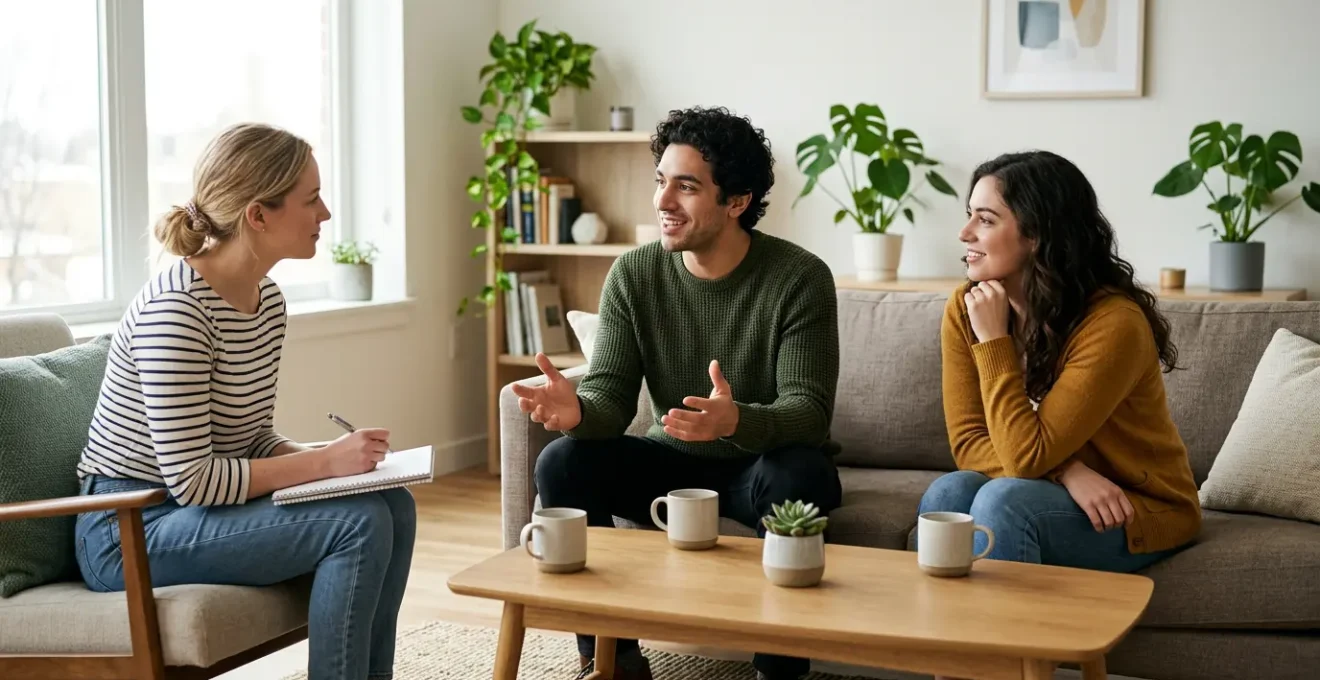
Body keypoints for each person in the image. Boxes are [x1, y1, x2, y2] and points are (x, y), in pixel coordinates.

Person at [73, 123, 416, 680]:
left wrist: (327, 458)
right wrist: (323, 465)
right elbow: (194, 481)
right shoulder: (177, 312)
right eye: (311, 200)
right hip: (128, 529)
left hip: (189, 511)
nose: (325, 214)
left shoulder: (265, 302)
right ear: (258, 215)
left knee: (392, 502)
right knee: (357, 523)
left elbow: (250, 436)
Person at [513, 106, 842, 680]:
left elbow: (808, 413)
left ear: (736, 201)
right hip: (668, 464)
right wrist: (578, 412)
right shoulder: (633, 275)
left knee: (802, 476)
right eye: (661, 181)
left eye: (686, 187)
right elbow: (612, 401)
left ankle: (780, 668)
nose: (663, 201)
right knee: (562, 463)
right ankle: (612, 658)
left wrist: (736, 420)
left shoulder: (799, 277)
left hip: (755, 467)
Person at [922, 149, 1202, 579]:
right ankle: (946, 642)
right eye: (969, 215)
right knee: (951, 490)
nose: (964, 233)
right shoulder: (967, 307)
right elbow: (968, 443)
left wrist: (995, 342)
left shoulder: (1113, 323)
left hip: (1133, 505)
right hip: (1056, 486)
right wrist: (1068, 472)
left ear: (1036, 235)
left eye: (986, 219)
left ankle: (1017, 647)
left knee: (1005, 503)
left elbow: (1026, 459)